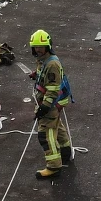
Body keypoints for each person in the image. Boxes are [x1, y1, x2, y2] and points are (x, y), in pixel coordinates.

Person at [29, 29, 73, 179]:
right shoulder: (45, 60)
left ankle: (54, 167)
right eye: (35, 47)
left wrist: (44, 107)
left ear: (48, 46)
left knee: (45, 135)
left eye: (40, 47)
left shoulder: (52, 64)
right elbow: (46, 76)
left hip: (52, 103)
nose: (38, 49)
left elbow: (53, 90)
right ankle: (66, 151)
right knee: (56, 125)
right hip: (54, 103)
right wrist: (37, 75)